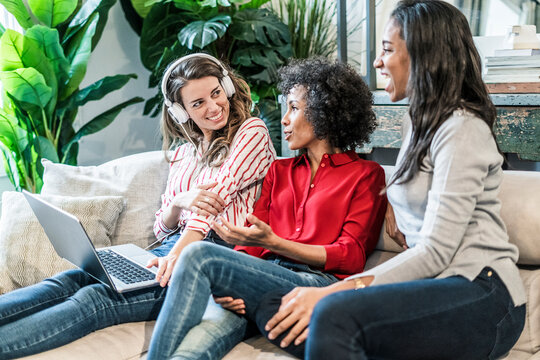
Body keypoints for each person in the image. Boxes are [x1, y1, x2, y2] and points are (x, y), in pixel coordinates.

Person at [255, 1, 527, 359]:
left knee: (331, 313)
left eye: (386, 49)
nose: (376, 62)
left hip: (482, 291)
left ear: (423, 54)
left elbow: (437, 250)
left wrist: (337, 291)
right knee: (275, 305)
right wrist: (392, 205)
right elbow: (421, 194)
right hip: (432, 288)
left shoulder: (461, 128)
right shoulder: (416, 123)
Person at [0, 53, 276, 359]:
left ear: (226, 87)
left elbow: (213, 203)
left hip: (212, 255)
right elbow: (162, 225)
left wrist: (175, 257)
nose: (213, 107)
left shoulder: (251, 132)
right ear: (181, 112)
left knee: (95, 300)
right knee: (70, 279)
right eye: (198, 103)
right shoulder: (184, 154)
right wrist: (178, 204)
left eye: (215, 93)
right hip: (171, 249)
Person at [145, 57, 388, 360]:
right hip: (266, 278)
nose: (284, 120)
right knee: (193, 350)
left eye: (294, 108)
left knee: (197, 253)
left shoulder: (366, 175)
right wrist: (237, 280)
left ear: (326, 111)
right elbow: (253, 242)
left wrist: (274, 244)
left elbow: (350, 256)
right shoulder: (279, 171)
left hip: (315, 282)